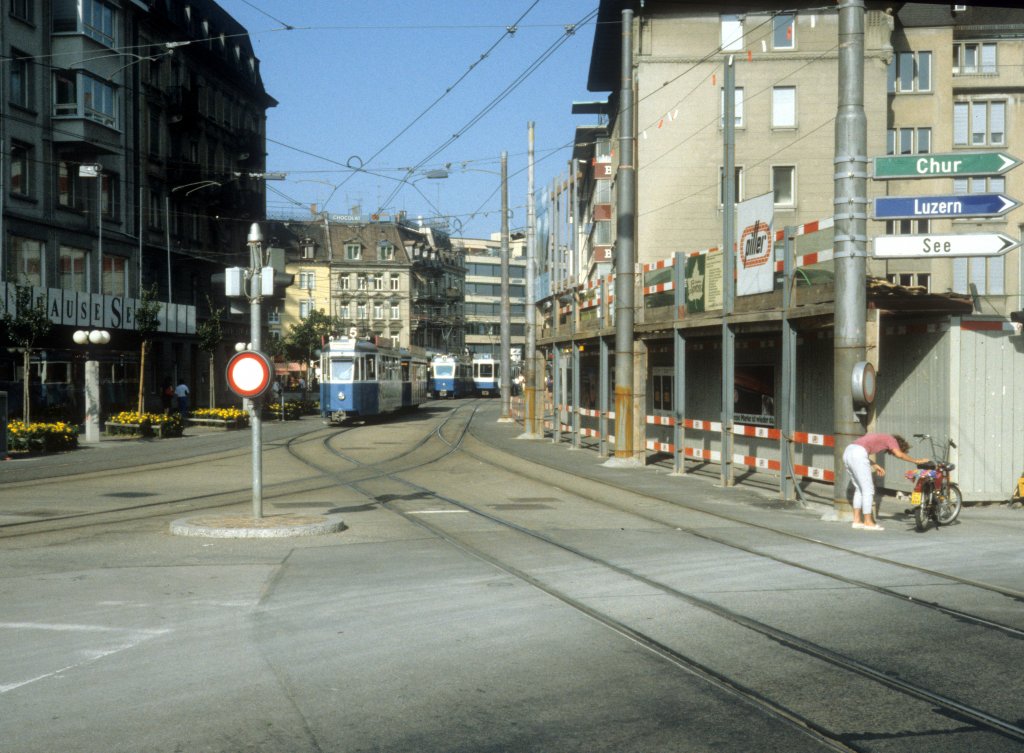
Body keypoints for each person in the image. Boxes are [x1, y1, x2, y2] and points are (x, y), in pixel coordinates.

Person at [843, 433, 929, 531]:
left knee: (859, 489)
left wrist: (874, 464)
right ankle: (868, 522)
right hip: (858, 454)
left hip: (848, 452)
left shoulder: (881, 437)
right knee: (868, 490)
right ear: (898, 445)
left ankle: (857, 521)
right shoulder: (891, 440)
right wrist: (917, 461)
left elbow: (858, 450)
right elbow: (899, 454)